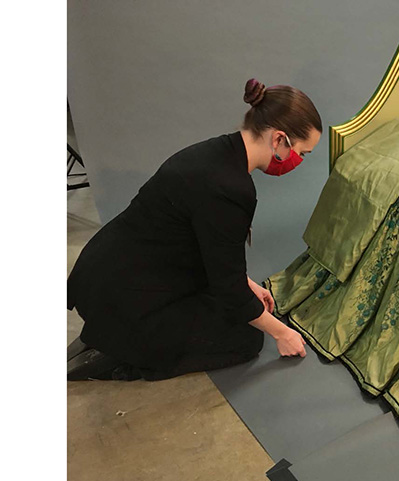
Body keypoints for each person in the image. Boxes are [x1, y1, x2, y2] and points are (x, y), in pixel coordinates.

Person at [67, 79, 321, 381]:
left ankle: (107, 330)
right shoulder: (231, 189)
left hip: (103, 275)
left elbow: (207, 246)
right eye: (302, 153)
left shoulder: (213, 153)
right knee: (247, 339)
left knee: (236, 308)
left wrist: (246, 284)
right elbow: (227, 287)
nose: (298, 162)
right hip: (125, 298)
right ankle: (124, 355)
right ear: (280, 139)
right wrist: (282, 333)